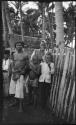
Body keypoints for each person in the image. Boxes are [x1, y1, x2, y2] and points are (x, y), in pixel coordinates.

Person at [9, 41, 29, 112]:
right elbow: (12, 63)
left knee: (20, 90)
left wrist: (24, 71)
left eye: (20, 45)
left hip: (21, 74)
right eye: (17, 45)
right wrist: (12, 70)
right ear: (15, 46)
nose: (19, 46)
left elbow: (27, 65)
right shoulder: (13, 54)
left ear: (22, 46)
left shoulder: (25, 54)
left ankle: (21, 107)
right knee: (13, 89)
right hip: (14, 73)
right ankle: (15, 102)